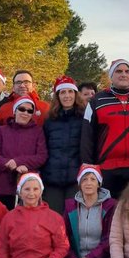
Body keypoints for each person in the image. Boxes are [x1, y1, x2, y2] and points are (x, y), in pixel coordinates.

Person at [81, 59, 129, 197]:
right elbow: (87, 136)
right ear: (111, 76)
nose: (123, 74)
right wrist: (89, 167)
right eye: (119, 71)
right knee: (108, 209)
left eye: (127, 71)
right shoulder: (97, 100)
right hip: (106, 168)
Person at [63, 164, 116, 258]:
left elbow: (109, 238)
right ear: (79, 183)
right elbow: (64, 238)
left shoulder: (111, 206)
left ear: (99, 183)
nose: (88, 183)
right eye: (84, 179)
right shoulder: (70, 206)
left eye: (93, 179)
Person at [0, 97, 49, 207]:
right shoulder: (2, 130)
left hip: (29, 186)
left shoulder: (38, 131)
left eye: (29, 111)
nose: (25, 113)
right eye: (22, 109)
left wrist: (18, 162)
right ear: (15, 111)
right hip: (5, 185)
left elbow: (41, 156)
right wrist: (8, 163)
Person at [43, 76, 88, 213]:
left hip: (75, 178)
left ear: (75, 94)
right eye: (63, 92)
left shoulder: (84, 118)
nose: (67, 96)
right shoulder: (50, 120)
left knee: (73, 217)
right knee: (53, 216)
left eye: (70, 92)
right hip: (52, 179)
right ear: (58, 96)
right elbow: (44, 147)